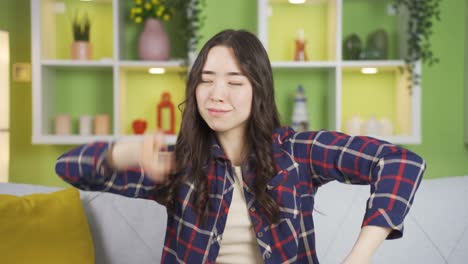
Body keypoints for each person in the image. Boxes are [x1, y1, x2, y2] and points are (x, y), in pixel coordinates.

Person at [55, 29, 426, 264]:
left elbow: (400, 163)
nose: (217, 94)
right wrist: (126, 153)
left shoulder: (296, 151)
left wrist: (358, 257)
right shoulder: (178, 163)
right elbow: (69, 168)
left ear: (258, 90)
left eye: (235, 81)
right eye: (206, 80)